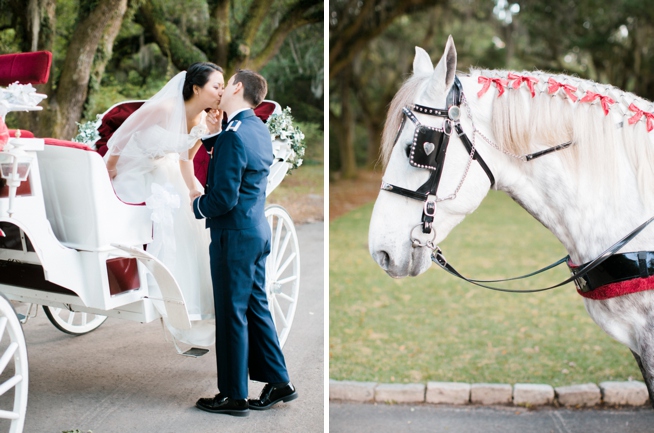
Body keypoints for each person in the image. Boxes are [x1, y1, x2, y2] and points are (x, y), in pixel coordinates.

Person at [192, 69, 297, 417]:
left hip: (233, 236)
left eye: (227, 83)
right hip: (256, 231)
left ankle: (233, 396)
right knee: (256, 307)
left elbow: (222, 198)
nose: (221, 90)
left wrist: (196, 205)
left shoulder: (234, 135)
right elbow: (238, 159)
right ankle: (280, 382)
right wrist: (212, 138)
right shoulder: (255, 129)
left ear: (237, 87)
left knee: (231, 313)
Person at [104, 62, 225, 347]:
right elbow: (121, 136)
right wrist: (109, 170)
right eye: (216, 86)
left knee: (187, 221)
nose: (221, 92)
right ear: (196, 88)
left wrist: (195, 189)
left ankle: (190, 308)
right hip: (130, 170)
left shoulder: (200, 121)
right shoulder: (165, 109)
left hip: (163, 172)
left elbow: (185, 161)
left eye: (223, 86)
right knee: (163, 215)